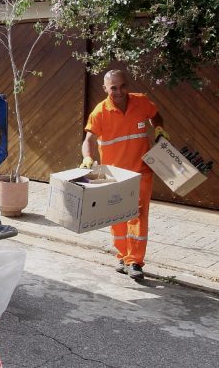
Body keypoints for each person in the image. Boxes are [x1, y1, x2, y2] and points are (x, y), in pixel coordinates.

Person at [80, 69, 167, 281]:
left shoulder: (141, 102)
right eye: (113, 88)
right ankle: (122, 256)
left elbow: (156, 116)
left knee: (137, 215)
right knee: (117, 216)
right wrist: (87, 159)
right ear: (105, 89)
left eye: (122, 86)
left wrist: (159, 130)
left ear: (127, 84)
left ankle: (135, 261)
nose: (119, 92)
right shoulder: (100, 112)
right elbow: (89, 141)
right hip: (114, 176)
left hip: (141, 172)